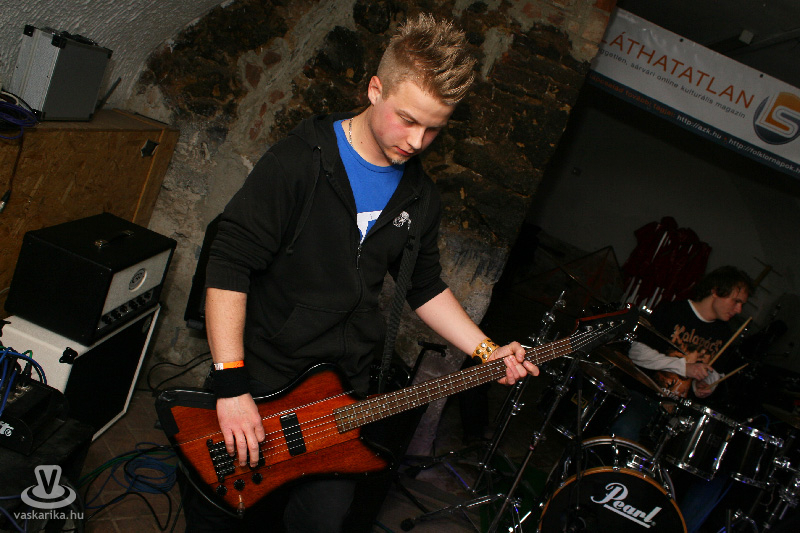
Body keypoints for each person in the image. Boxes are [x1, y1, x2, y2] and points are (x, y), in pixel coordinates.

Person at [187, 14, 539, 533]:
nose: (417, 141)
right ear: (375, 90)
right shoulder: (299, 162)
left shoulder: (420, 198)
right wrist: (231, 385)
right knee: (230, 519)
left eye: (433, 129)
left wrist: (488, 351)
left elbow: (424, 286)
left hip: (341, 394)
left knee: (322, 521)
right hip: (264, 380)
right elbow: (229, 263)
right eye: (407, 119)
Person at [610, 265, 753, 533]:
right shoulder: (673, 311)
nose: (738, 309)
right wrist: (683, 367)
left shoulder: (725, 334)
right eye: (736, 301)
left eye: (742, 304)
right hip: (646, 395)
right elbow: (637, 352)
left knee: (704, 468)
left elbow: (712, 377)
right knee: (625, 429)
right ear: (716, 291)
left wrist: (704, 386)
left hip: (681, 413)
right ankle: (605, 493)